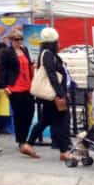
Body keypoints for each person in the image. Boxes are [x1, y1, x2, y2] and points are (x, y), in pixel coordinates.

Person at [27, 27, 73, 159]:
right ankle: (64, 151)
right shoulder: (48, 54)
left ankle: (28, 144)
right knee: (61, 121)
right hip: (53, 95)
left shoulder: (47, 54)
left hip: (51, 96)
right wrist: (60, 94)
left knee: (45, 120)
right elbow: (52, 75)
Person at [0, 27, 37, 155]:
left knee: (29, 113)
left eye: (20, 39)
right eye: (16, 39)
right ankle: (21, 140)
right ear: (11, 40)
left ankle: (24, 138)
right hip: (15, 87)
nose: (18, 41)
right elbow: (1, 70)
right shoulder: (7, 53)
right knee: (19, 115)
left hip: (28, 86)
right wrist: (5, 86)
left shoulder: (25, 50)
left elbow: (29, 65)